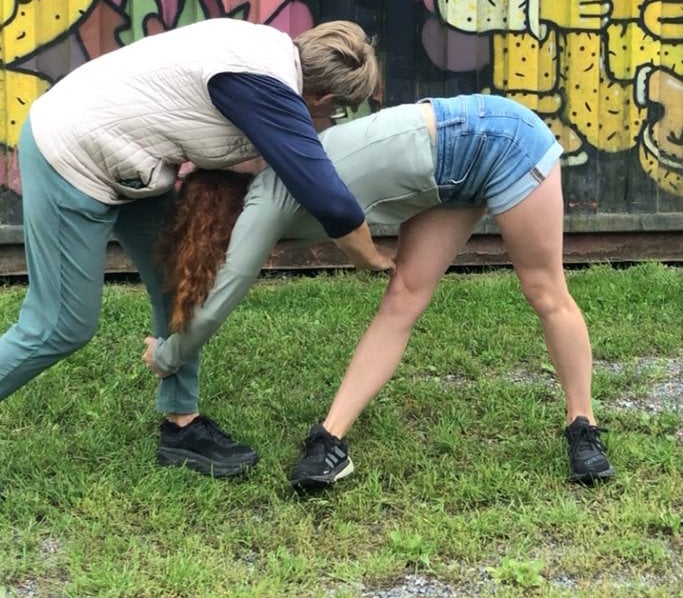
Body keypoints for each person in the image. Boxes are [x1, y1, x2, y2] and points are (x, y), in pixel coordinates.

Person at [0, 17, 395, 501]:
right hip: (71, 155)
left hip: (129, 161)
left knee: (183, 286)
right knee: (60, 323)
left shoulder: (264, 52)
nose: (326, 123)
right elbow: (327, 197)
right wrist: (371, 258)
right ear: (325, 97)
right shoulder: (265, 84)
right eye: (332, 113)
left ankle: (182, 427)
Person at [143, 94, 613, 491]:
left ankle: (583, 425)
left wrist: (169, 356)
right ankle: (330, 440)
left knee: (543, 289)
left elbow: (228, 288)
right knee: (403, 295)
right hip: (447, 174)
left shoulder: (270, 194)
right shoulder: (282, 170)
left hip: (500, 139)